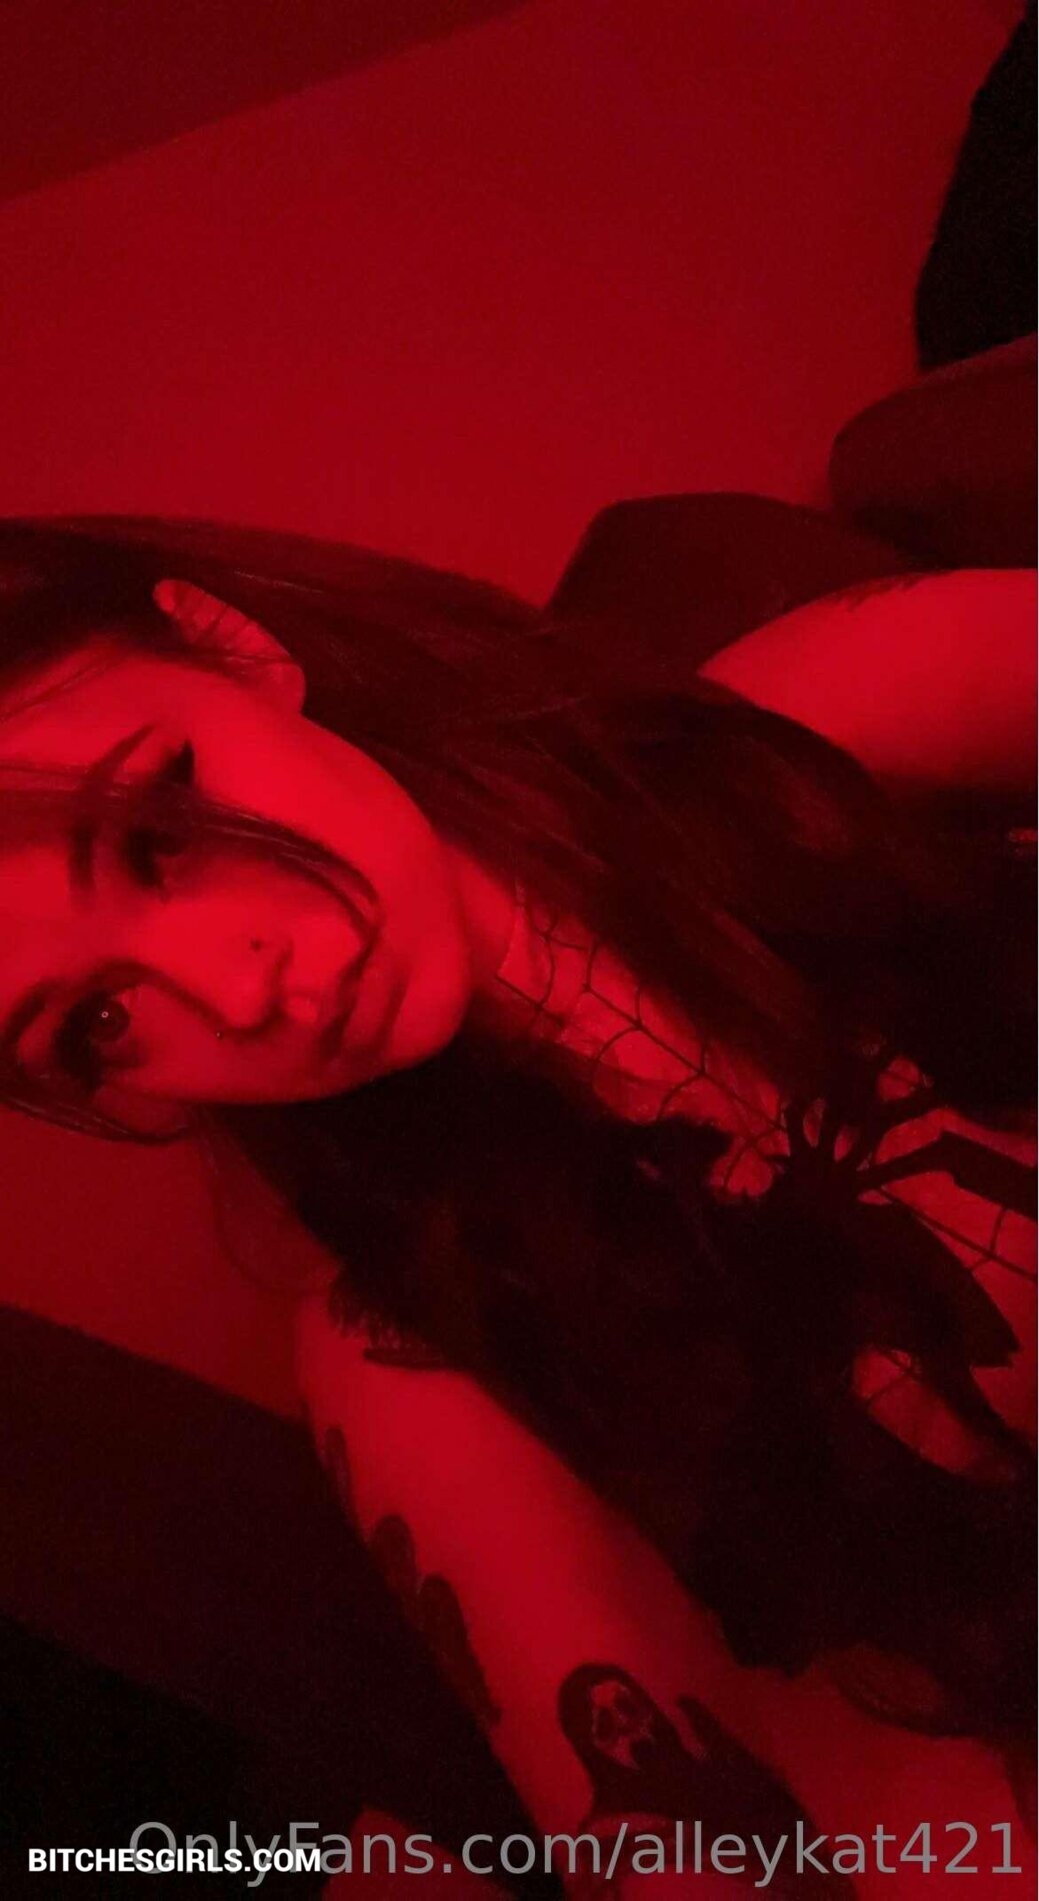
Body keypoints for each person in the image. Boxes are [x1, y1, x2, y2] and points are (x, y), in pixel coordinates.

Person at [0, 515, 1034, 1894]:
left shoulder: (795, 729)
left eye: (164, 826)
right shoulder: (420, 1365)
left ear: (230, 646)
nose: (237, 991)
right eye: (98, 1021)